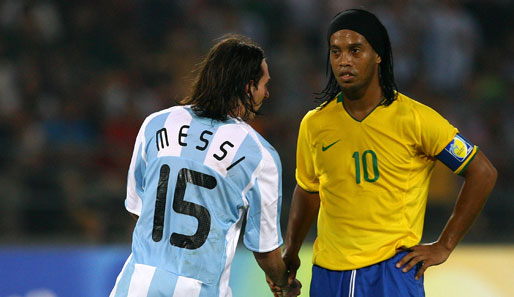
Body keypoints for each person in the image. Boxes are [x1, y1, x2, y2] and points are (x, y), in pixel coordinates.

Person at [278, 8, 497, 297]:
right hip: (328, 274)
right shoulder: (315, 123)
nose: (344, 61)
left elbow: (482, 172)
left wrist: (444, 245)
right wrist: (291, 252)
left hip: (392, 272)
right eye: (336, 51)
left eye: (355, 50)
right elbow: (308, 190)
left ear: (378, 54)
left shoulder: (416, 118)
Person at [110, 34, 301, 297]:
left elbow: (139, 210)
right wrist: (281, 281)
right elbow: (265, 250)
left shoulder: (156, 124)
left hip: (136, 284)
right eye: (264, 85)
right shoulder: (258, 154)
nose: (267, 94)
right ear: (248, 87)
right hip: (199, 289)